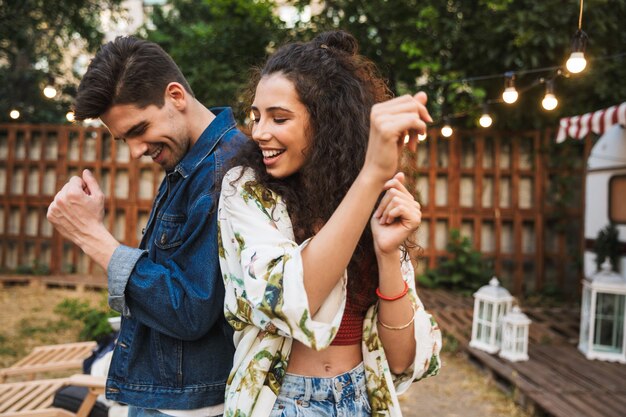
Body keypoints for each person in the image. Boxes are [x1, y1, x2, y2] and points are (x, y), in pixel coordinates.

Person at [217, 31, 442, 417]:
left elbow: (403, 360)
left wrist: (388, 255)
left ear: (328, 122)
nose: (259, 133)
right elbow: (288, 301)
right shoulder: (247, 191)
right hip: (281, 400)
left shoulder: (374, 194)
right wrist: (370, 176)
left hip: (362, 399)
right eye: (256, 116)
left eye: (279, 117)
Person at [47, 36, 246, 417]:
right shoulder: (190, 164)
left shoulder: (224, 174)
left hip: (192, 408)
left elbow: (189, 310)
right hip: (169, 396)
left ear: (175, 95)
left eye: (139, 129)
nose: (136, 151)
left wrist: (92, 236)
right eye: (124, 139)